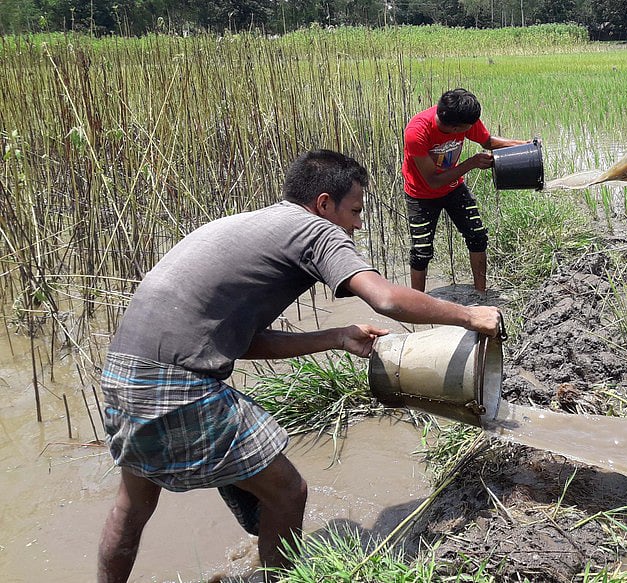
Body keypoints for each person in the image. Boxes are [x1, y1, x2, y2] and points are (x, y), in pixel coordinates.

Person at [96, 149, 502, 583]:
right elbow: (384, 298)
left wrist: (334, 336)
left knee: (132, 505)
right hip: (178, 382)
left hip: (124, 372)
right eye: (355, 210)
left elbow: (237, 342)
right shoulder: (312, 230)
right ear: (324, 203)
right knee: (289, 492)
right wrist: (470, 315)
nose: (358, 223)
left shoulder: (257, 224)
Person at [402, 87, 528, 294]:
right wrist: (471, 163)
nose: (472, 129)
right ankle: (418, 303)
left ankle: (481, 294)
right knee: (421, 252)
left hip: (454, 188)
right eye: (467, 128)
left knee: (477, 236)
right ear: (454, 128)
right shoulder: (417, 133)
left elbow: (487, 141)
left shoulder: (461, 117)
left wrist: (524, 145)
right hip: (421, 194)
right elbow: (433, 181)